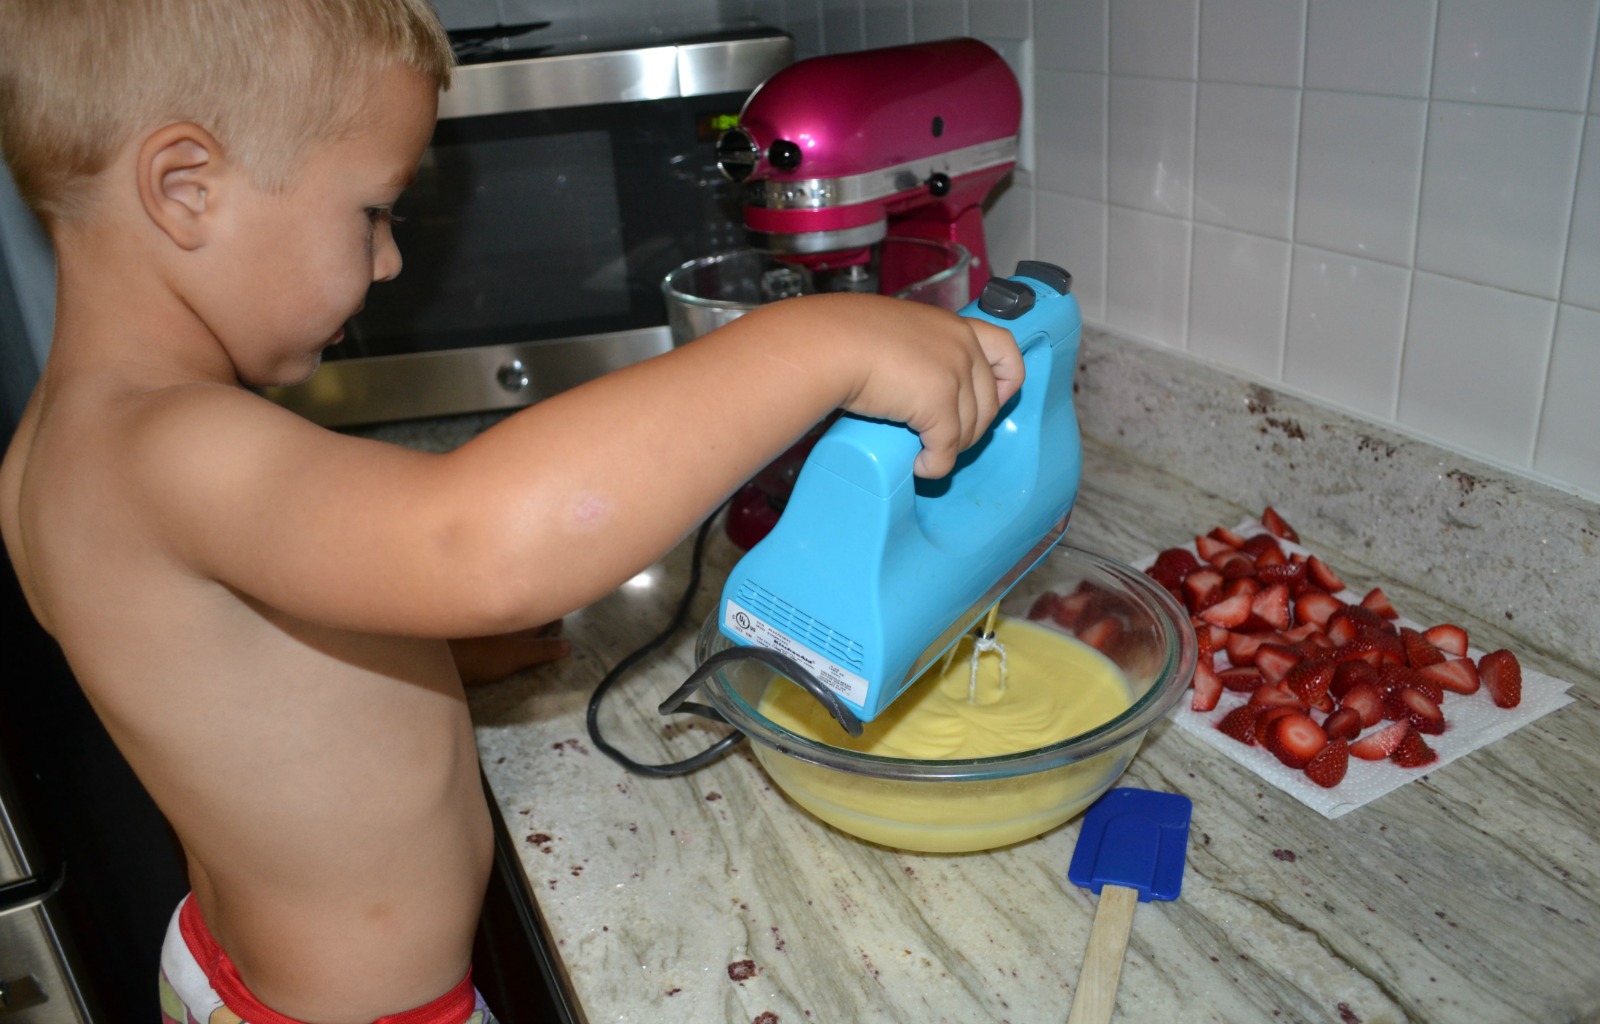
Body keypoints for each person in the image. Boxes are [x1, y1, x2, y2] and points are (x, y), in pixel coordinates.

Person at [0, 1, 1024, 1021]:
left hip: (232, 969)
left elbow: (221, 678)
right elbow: (474, 540)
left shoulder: (55, 449)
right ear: (187, 191)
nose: (392, 259)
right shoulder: (167, 448)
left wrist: (420, 659)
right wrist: (818, 343)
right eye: (371, 212)